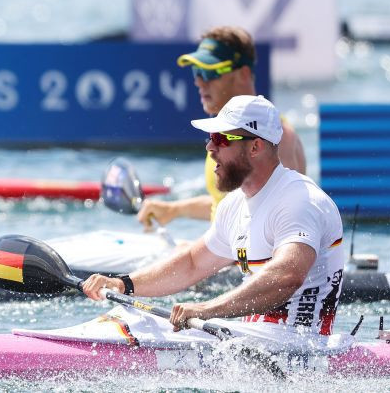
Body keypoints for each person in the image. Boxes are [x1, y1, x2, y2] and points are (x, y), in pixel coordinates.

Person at [83, 95, 345, 335]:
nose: (210, 147)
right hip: (251, 342)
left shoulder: (299, 200)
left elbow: (287, 275)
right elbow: (192, 264)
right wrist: (123, 284)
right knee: (135, 321)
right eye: (210, 136)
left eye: (221, 138)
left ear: (255, 147)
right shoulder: (234, 205)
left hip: (302, 346)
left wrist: (207, 309)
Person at [136, 26, 306, 228]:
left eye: (210, 73)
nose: (199, 82)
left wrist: (199, 255)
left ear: (243, 74)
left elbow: (276, 226)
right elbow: (226, 204)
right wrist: (175, 209)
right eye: (196, 72)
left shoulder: (277, 139)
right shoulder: (225, 136)